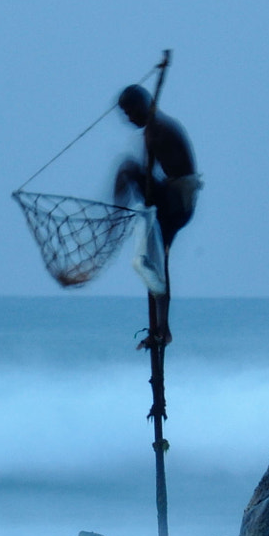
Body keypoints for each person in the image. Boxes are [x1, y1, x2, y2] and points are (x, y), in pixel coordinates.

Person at [112, 83, 199, 348]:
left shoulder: (158, 129)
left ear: (144, 105)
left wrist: (141, 189)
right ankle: (162, 329)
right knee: (154, 266)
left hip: (178, 200)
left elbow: (148, 174)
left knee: (127, 168)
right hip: (176, 200)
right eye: (125, 115)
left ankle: (114, 221)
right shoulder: (154, 129)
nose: (129, 119)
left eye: (131, 112)